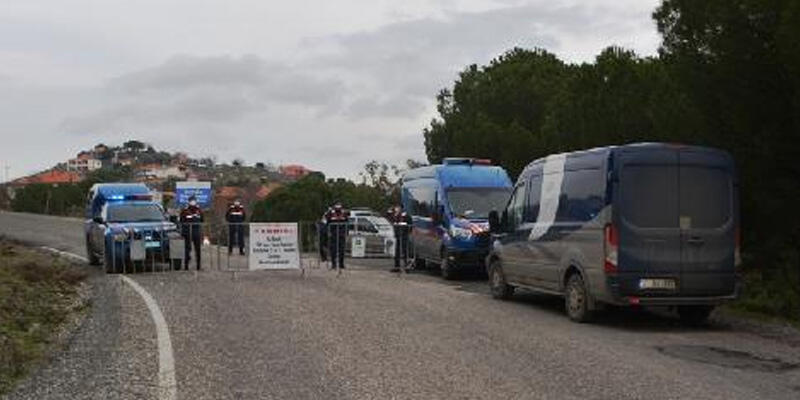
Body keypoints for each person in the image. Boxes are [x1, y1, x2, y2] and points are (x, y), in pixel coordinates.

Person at [323, 201, 350, 270]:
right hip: (333, 234)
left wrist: (346, 233)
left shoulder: (344, 213)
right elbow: (326, 222)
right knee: (333, 250)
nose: (338, 210)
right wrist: (328, 232)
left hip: (341, 234)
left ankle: (341, 264)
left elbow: (347, 223)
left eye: (339, 208)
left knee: (342, 250)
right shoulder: (330, 213)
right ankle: (334, 264)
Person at [179, 195, 204, 270]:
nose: (193, 202)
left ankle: (198, 266)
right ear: (189, 202)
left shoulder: (199, 210)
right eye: (191, 201)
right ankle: (186, 266)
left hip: (196, 232)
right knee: (187, 249)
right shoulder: (185, 210)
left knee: (198, 249)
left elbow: (202, 220)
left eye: (194, 201)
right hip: (187, 232)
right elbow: (181, 220)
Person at [386, 204, 413, 272]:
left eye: (398, 207)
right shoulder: (395, 215)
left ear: (401, 208)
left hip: (404, 235)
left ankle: (407, 266)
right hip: (398, 235)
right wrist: (389, 212)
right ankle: (397, 266)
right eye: (396, 207)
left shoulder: (405, 215)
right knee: (397, 251)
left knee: (405, 251)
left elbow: (410, 224)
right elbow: (389, 218)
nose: (396, 208)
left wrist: (408, 232)